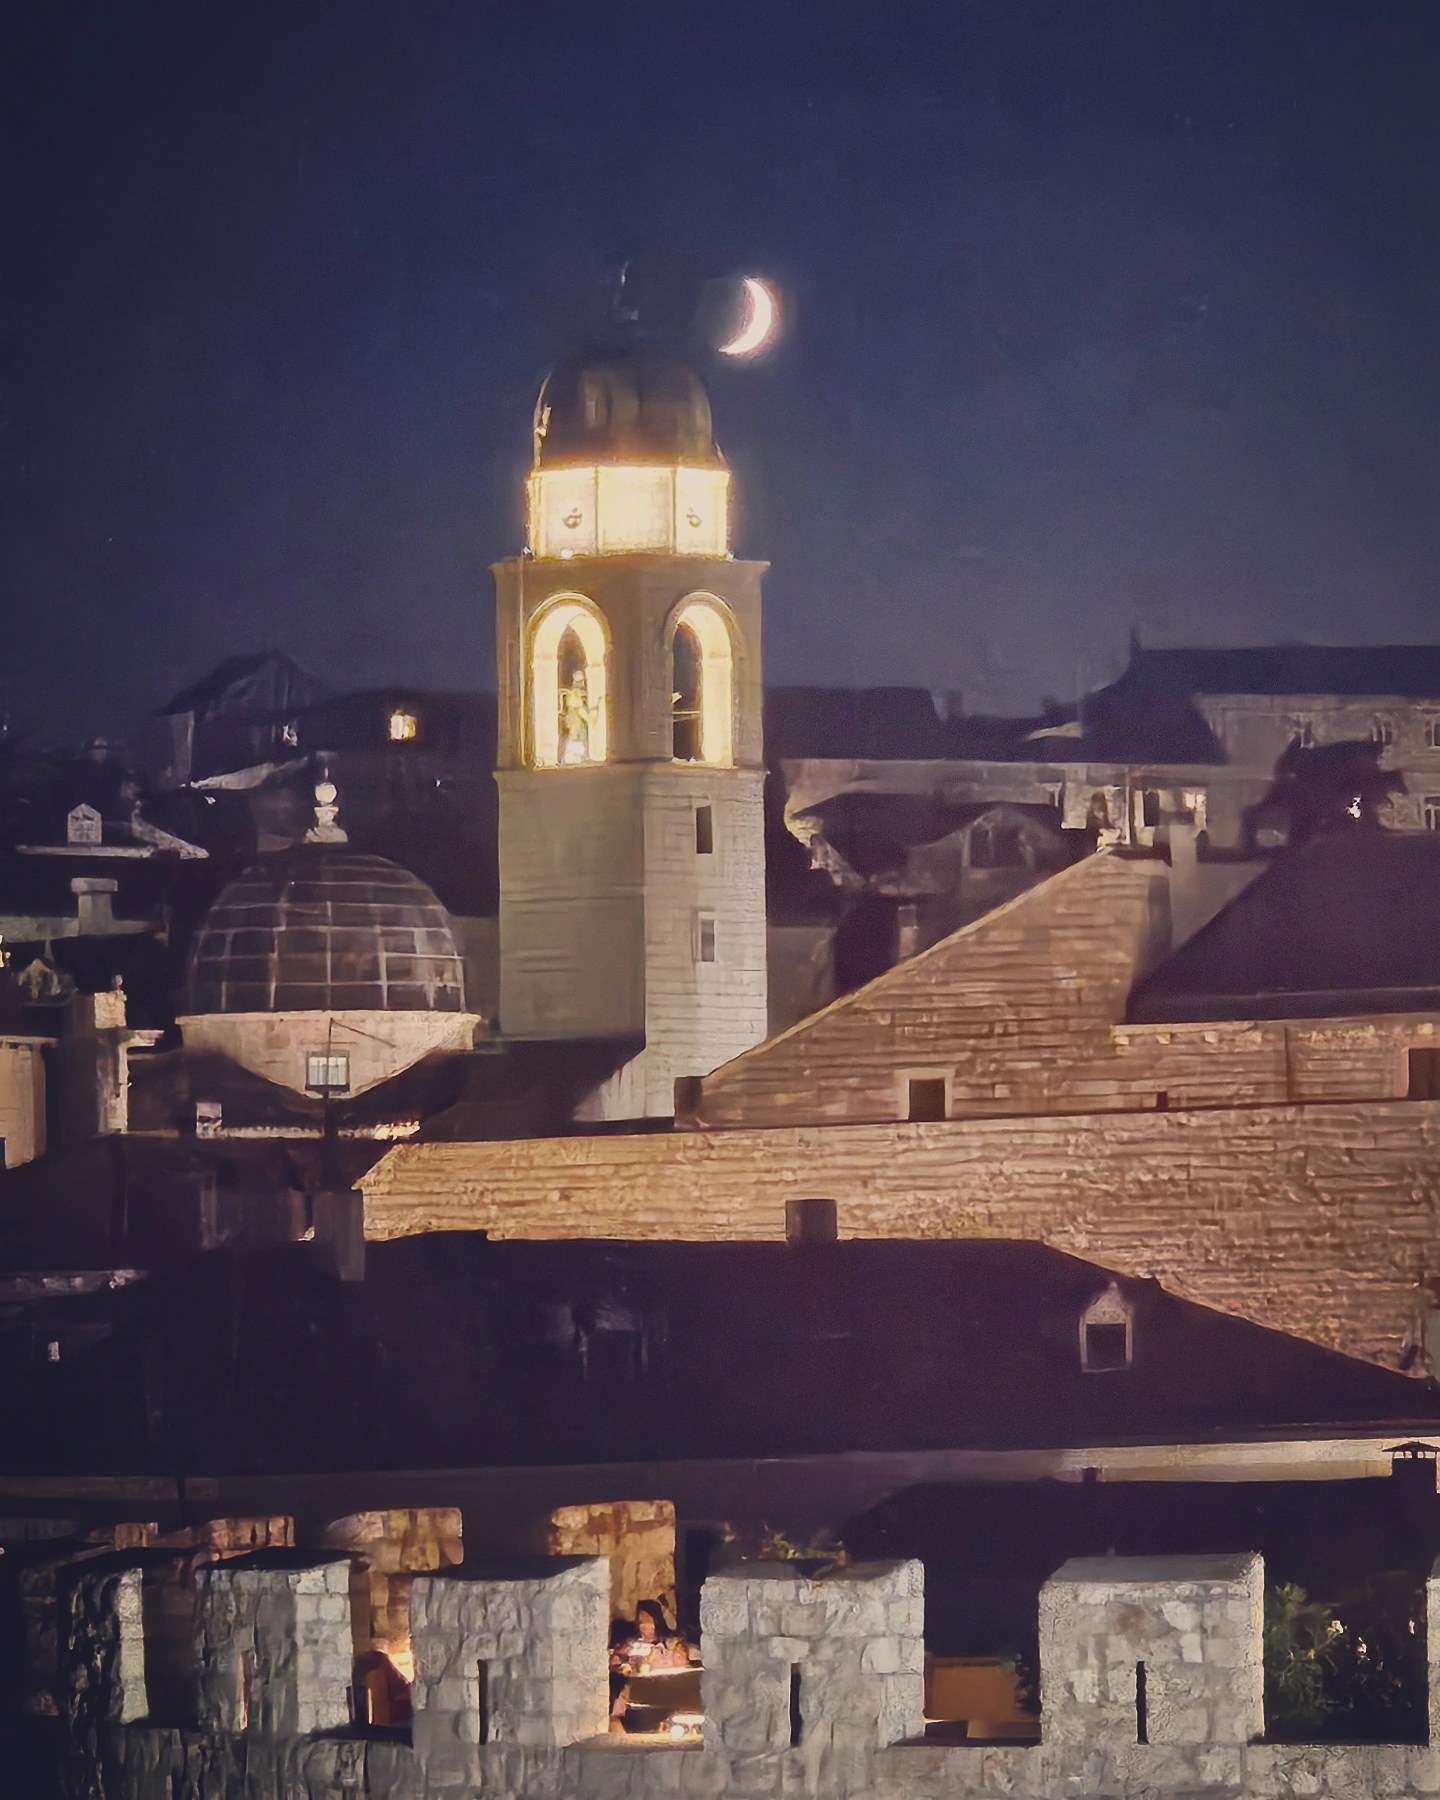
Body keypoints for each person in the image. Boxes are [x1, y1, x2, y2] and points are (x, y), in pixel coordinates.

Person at [608, 1601, 693, 1732]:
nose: (644, 1626)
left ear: (656, 1621)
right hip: (639, 1698)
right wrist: (626, 1667)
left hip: (665, 1697)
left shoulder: (670, 1645)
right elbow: (623, 1663)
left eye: (648, 1621)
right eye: (641, 1621)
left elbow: (680, 1671)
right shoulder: (634, 1646)